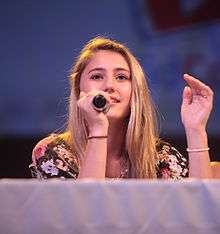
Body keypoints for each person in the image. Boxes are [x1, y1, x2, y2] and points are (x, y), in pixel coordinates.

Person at [29, 37, 214, 180]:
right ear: (78, 90)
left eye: (121, 77)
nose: (109, 85)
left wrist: (196, 129)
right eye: (96, 76)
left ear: (136, 91)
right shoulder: (54, 153)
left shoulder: (162, 157)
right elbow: (86, 218)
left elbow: (198, 214)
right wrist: (98, 129)